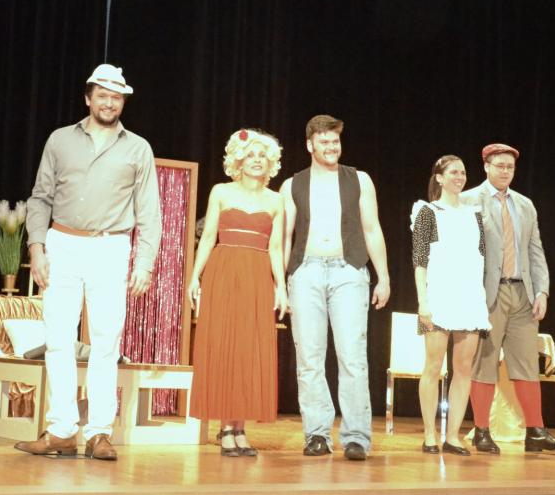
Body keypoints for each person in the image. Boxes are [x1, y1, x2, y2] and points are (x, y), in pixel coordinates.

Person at [15, 64, 161, 462]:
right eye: (102, 95)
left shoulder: (138, 148)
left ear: (123, 102)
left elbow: (149, 209)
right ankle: (62, 429)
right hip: (63, 242)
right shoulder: (60, 140)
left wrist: (145, 262)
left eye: (116, 97)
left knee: (106, 341)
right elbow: (41, 197)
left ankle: (99, 432)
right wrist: (37, 247)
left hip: (110, 246)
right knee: (58, 338)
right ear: (88, 98)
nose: (109, 103)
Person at [280, 114, 390, 461]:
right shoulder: (292, 184)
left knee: (352, 356)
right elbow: (284, 237)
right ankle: (316, 434)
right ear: (309, 145)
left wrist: (383, 276)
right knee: (309, 358)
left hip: (348, 271)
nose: (331, 147)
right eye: (324, 141)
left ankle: (356, 437)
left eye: (335, 141)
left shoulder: (359, 179)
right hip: (306, 271)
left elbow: (371, 228)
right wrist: (281, 282)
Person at [465, 143, 555, 453]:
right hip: (487, 293)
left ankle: (535, 431)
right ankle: (482, 430)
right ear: (486, 166)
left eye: (510, 167)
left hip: (522, 292)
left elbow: (535, 250)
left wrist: (542, 291)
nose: (505, 171)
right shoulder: (469, 200)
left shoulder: (525, 204)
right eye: (499, 165)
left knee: (526, 363)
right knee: (484, 362)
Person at [187, 129, 288, 457]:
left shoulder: (276, 200)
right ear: (238, 160)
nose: (256, 160)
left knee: (249, 349)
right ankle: (225, 428)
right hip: (224, 271)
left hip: (257, 276)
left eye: (262, 156)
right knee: (224, 345)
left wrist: (281, 287)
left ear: (270, 162)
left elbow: (276, 247)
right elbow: (208, 237)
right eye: (250, 155)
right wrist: (195, 276)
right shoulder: (221, 191)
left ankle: (240, 427)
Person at [410, 155, 491, 456]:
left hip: (469, 297)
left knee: (463, 368)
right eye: (453, 172)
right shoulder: (428, 212)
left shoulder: (474, 215)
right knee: (433, 366)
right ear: (440, 178)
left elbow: (480, 258)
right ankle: (429, 434)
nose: (459, 177)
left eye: (463, 172)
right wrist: (423, 301)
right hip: (439, 296)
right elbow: (420, 261)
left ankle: (453, 436)